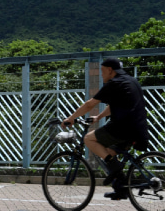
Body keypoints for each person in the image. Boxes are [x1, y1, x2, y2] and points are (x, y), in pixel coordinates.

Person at [63, 58, 151, 200]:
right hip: (139, 128)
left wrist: (71, 118)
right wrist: (98, 117)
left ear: (110, 70)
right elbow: (115, 105)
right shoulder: (131, 81)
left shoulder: (114, 83)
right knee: (109, 152)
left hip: (122, 128)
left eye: (102, 71)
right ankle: (121, 189)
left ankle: (116, 170)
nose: (101, 75)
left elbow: (89, 105)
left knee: (88, 139)